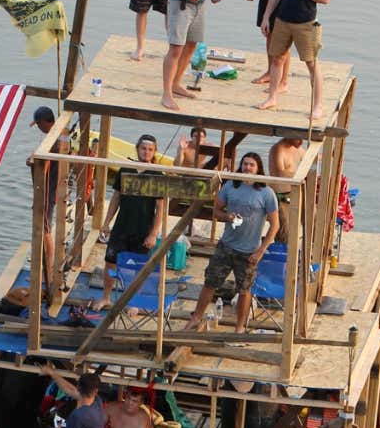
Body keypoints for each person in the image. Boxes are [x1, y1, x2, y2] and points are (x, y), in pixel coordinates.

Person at [185, 152, 279, 333]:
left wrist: (261, 250)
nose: (247, 167)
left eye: (251, 164)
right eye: (245, 164)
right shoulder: (230, 186)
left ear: (258, 168)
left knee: (244, 290)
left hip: (249, 251)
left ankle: (239, 327)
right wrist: (227, 216)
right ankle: (196, 317)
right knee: (210, 283)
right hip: (226, 246)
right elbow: (216, 211)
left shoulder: (267, 193)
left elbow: (275, 225)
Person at [257, 0, 330, 119]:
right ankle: (272, 97)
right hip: (282, 19)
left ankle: (317, 106)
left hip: (305, 22)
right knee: (277, 59)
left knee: (312, 64)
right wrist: (266, 17)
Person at [94, 135, 165, 309]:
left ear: (154, 152)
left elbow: (160, 208)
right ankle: (106, 297)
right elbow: (116, 198)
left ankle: (134, 303)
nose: (146, 152)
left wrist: (154, 234)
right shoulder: (125, 170)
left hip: (143, 229)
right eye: (143, 148)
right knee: (110, 262)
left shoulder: (157, 175)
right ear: (137, 149)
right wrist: (106, 222)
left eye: (150, 149)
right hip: (121, 226)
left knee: (138, 268)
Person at [27, 106, 59, 296]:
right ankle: (44, 264)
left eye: (39, 124)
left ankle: (48, 267)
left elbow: (44, 167)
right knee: (43, 226)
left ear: (46, 122)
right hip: (51, 189)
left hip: (46, 191)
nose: (38, 127)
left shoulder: (51, 140)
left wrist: (34, 164)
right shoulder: (56, 135)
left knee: (45, 227)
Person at [268, 136, 304, 244]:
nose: (301, 142)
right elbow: (280, 173)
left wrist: (330, 155)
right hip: (280, 195)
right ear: (289, 136)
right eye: (298, 138)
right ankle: (284, 253)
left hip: (295, 193)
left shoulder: (298, 148)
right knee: (285, 231)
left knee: (315, 218)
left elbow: (311, 157)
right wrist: (301, 176)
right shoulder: (278, 149)